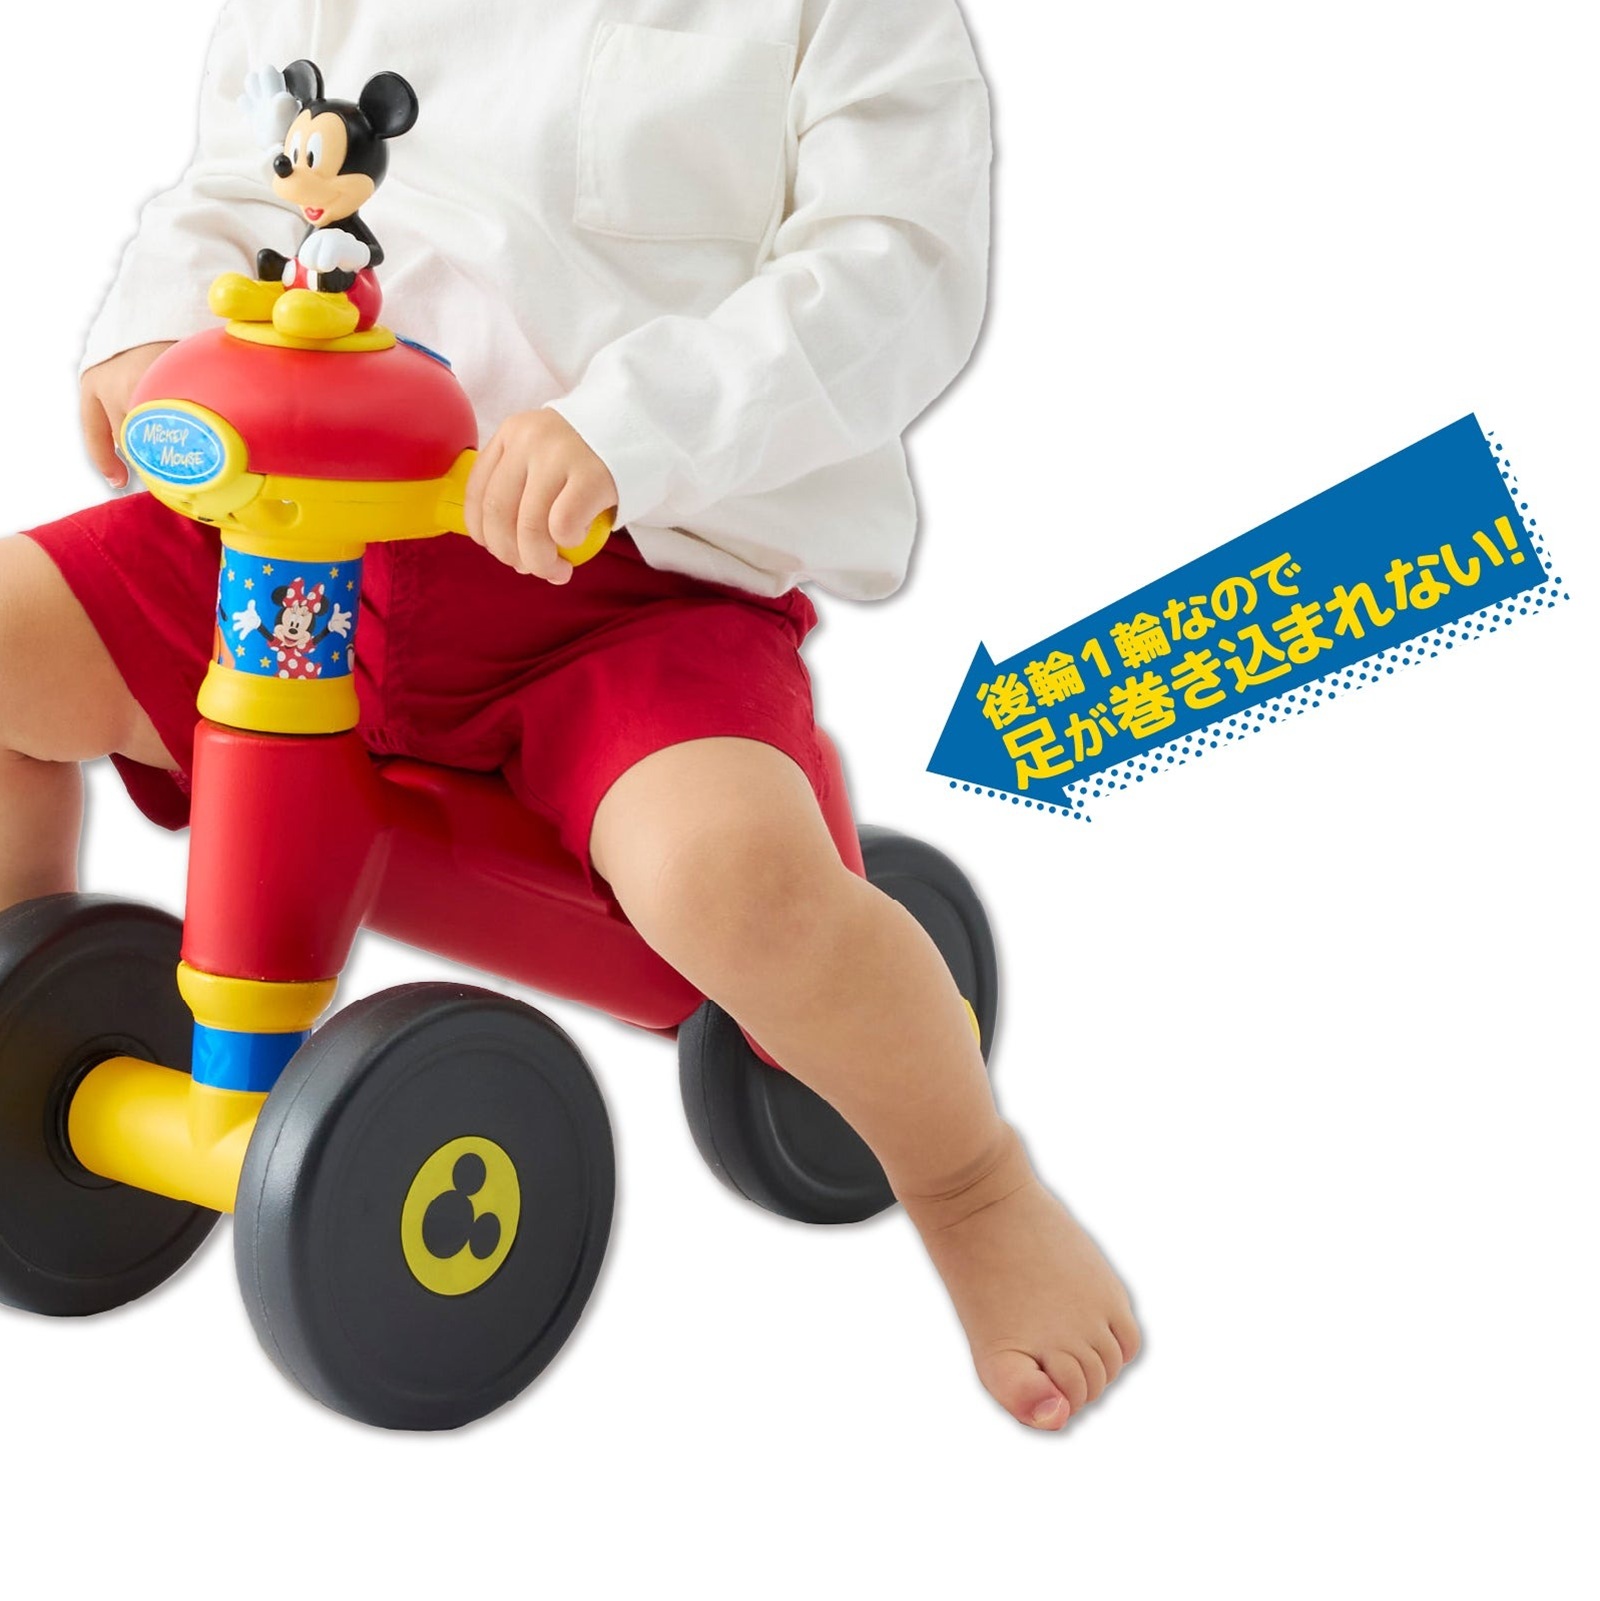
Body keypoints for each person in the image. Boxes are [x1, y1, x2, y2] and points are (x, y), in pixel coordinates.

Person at [0, 0, 1139, 1429]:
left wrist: (627, 426)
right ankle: (24, 1012)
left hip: (632, 585)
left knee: (736, 879)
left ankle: (973, 1186)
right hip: (291, 543)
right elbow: (245, 172)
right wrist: (157, 330)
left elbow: (891, 271)